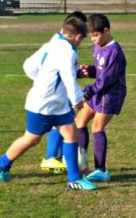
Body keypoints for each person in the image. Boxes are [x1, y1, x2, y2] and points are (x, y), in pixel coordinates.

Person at [0, 18, 97, 190]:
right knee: (31, 139)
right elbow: (68, 79)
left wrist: (44, 79)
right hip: (44, 104)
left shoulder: (51, 43)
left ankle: (73, 179)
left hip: (57, 103)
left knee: (71, 135)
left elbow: (29, 66)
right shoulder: (68, 52)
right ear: (77, 37)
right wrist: (77, 99)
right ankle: (2, 162)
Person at [72, 13, 127, 182]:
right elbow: (100, 71)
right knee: (79, 121)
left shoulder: (115, 52)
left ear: (106, 31)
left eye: (96, 35)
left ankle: (101, 170)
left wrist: (88, 91)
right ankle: (83, 165)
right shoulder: (97, 46)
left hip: (111, 94)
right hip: (99, 90)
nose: (93, 40)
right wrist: (90, 70)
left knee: (97, 127)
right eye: (91, 36)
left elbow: (106, 80)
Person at [40, 11, 88, 174]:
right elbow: (67, 74)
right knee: (59, 124)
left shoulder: (57, 41)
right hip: (58, 91)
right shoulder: (65, 48)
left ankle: (56, 158)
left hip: (54, 89)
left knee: (62, 125)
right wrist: (76, 97)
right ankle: (52, 157)